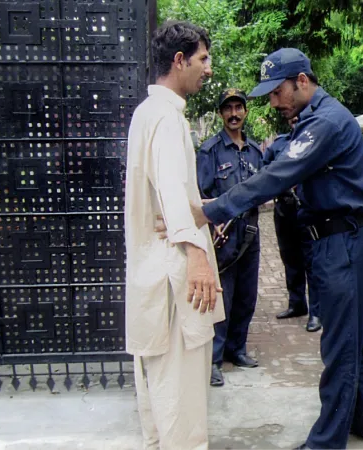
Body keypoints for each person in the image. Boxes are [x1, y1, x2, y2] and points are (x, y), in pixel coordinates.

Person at [191, 48, 363, 449]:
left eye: (277, 93)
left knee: (340, 344)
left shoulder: (326, 123)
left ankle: (326, 443)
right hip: (342, 238)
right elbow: (275, 159)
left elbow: (275, 176)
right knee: (351, 336)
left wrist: (211, 211)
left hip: (345, 240)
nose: (273, 102)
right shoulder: (312, 120)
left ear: (301, 81)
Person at [125, 21, 224, 450]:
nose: (208, 70)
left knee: (161, 408)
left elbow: (170, 194)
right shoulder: (166, 118)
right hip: (175, 282)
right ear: (179, 60)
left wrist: (203, 213)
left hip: (155, 279)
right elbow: (167, 187)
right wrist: (197, 254)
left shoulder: (149, 113)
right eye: (203, 59)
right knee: (182, 414)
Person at [196, 88, 263, 387]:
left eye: (239, 107)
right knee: (222, 295)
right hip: (222, 235)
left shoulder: (256, 152)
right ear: (221, 114)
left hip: (250, 232)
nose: (234, 113)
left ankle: (237, 349)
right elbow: (200, 194)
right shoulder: (209, 151)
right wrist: (213, 224)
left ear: (245, 112)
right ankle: (212, 360)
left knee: (247, 295)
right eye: (228, 109)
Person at [262, 119, 321, 333]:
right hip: (284, 209)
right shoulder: (278, 145)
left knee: (311, 261)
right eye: (293, 118)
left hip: (308, 210)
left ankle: (316, 312)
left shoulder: (316, 141)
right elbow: (265, 171)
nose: (296, 120)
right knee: (290, 258)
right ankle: (297, 304)